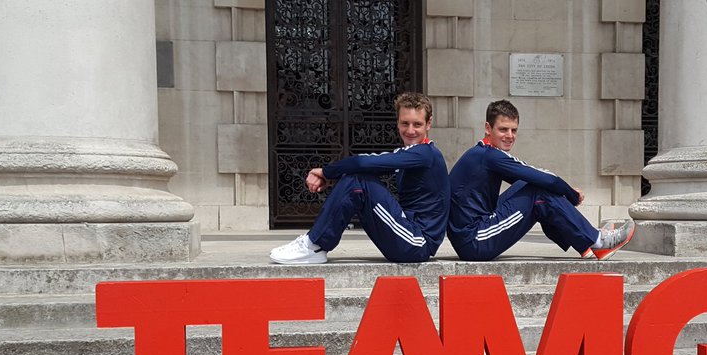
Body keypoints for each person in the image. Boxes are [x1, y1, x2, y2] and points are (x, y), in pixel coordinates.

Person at [269, 92, 448, 264]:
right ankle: (315, 243)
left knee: (359, 179)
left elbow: (362, 163)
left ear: (428, 124)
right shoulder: (407, 154)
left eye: (417, 124)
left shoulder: (426, 154)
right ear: (397, 123)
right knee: (358, 177)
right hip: (408, 235)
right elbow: (367, 166)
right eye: (404, 123)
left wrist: (325, 172)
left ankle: (314, 245)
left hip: (417, 242)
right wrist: (331, 178)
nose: (410, 130)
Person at [447, 99, 635, 261]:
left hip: (471, 236)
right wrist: (571, 195)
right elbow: (548, 179)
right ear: (488, 128)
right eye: (503, 129)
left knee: (530, 186)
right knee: (539, 190)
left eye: (514, 130)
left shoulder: (482, 154)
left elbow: (533, 179)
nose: (510, 136)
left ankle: (582, 240)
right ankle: (598, 241)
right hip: (475, 240)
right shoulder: (490, 156)